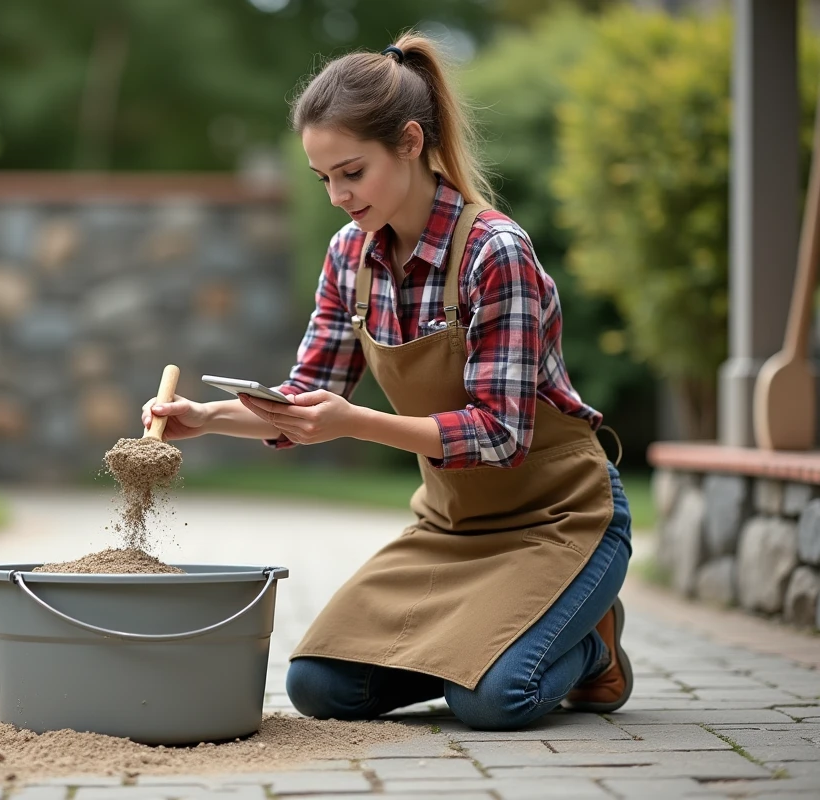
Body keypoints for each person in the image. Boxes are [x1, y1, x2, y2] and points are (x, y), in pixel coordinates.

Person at [140, 33, 632, 731]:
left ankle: (590, 644)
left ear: (408, 142)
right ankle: (484, 643)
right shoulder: (350, 257)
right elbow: (305, 394)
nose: (339, 196)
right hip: (451, 524)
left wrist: (356, 422)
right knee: (319, 685)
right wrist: (208, 416)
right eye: (324, 180)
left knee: (495, 701)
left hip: (559, 519)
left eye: (352, 173)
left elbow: (500, 436)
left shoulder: (495, 252)